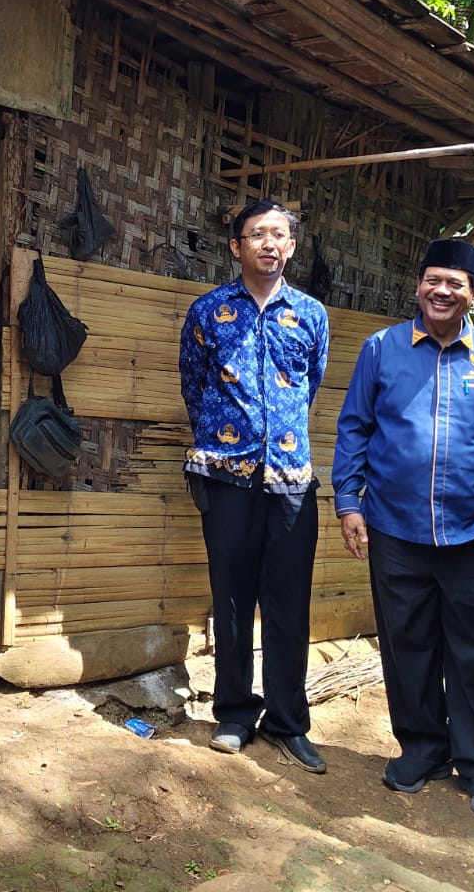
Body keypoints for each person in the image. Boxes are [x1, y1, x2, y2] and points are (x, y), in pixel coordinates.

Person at [330, 237, 474, 823]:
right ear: (418, 286)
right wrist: (349, 502)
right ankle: (423, 749)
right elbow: (354, 427)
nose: (442, 291)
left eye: (455, 283)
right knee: (408, 643)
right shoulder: (382, 349)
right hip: (395, 528)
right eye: (433, 280)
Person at [179, 199, 330, 773]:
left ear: (290, 246)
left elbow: (309, 386)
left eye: (279, 234)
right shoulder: (208, 311)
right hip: (225, 474)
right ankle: (235, 714)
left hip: (291, 478)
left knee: (289, 602)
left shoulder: (311, 314)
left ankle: (288, 721)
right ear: (236, 247)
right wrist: (227, 439)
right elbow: (194, 386)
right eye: (257, 234)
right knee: (233, 597)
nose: (269, 243)